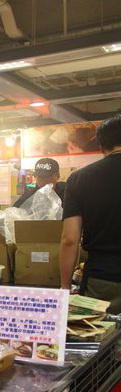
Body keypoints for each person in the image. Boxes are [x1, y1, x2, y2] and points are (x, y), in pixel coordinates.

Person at [60, 115, 121, 313]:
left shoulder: (80, 178)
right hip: (102, 274)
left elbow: (70, 239)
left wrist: (65, 288)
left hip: (102, 278)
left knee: (99, 330)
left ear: (101, 146)